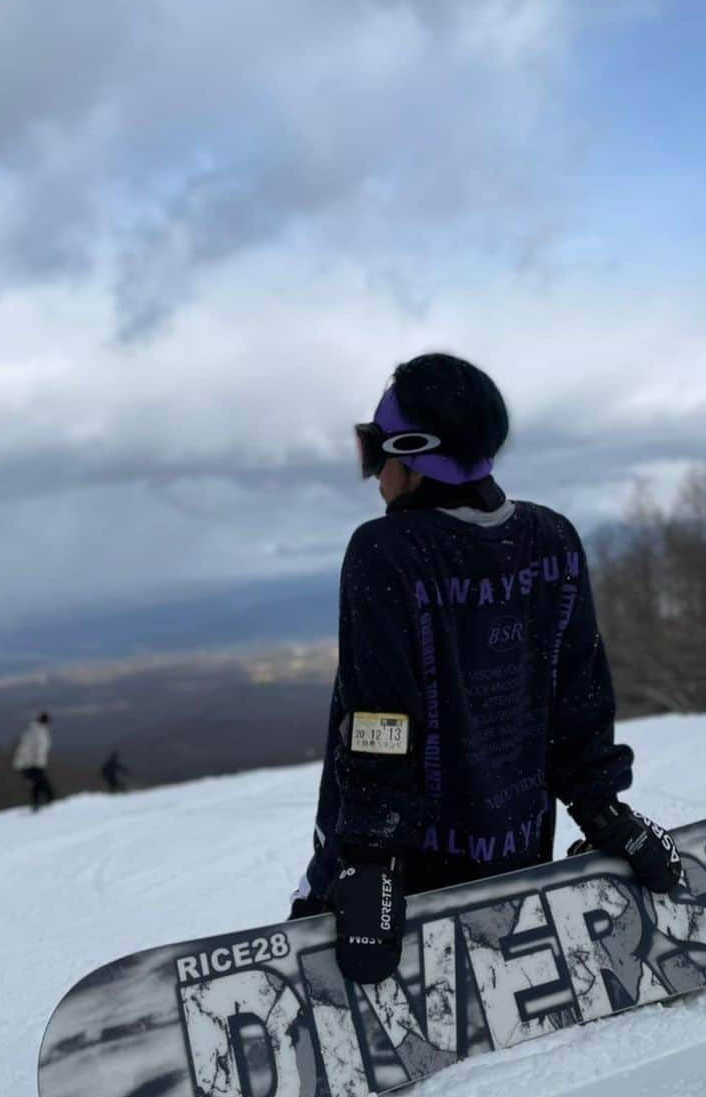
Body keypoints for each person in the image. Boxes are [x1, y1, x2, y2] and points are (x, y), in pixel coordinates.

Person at [290, 352, 681, 985]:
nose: (373, 476)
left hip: (399, 878)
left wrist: (368, 864)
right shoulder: (553, 539)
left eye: (375, 452)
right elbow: (577, 696)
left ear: (413, 454)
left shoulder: (386, 552)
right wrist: (602, 810)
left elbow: (381, 720)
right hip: (517, 866)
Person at [13, 711, 54, 812]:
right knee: (43, 784)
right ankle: (49, 804)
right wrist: (39, 765)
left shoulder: (33, 731)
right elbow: (39, 751)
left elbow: (24, 749)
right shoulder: (39, 733)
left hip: (26, 764)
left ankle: (36, 805)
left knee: (37, 784)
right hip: (32, 765)